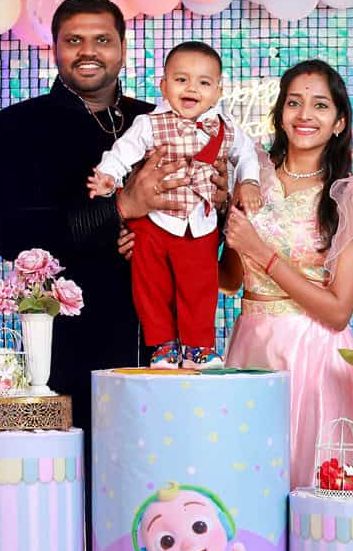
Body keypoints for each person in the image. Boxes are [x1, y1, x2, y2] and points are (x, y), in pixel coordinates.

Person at [0, 0, 227, 440]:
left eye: (102, 39)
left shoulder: (162, 120)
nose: (88, 51)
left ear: (123, 49)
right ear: (54, 47)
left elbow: (207, 227)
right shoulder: (13, 129)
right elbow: (11, 234)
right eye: (74, 39)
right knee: (73, 487)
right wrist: (120, 210)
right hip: (69, 345)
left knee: (161, 480)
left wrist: (213, 202)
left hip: (161, 339)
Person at [219, 59, 353, 489]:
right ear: (279, 113)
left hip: (314, 354)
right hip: (251, 344)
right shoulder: (251, 176)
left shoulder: (352, 197)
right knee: (246, 483)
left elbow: (337, 312)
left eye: (320, 105)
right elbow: (231, 279)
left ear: (338, 122)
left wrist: (262, 252)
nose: (305, 115)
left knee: (314, 487)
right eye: (294, 103)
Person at [87, 41, 261, 370]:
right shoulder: (149, 124)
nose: (192, 88)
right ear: (163, 85)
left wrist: (248, 182)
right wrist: (109, 176)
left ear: (219, 90)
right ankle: (163, 346)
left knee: (201, 286)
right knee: (151, 284)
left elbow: (247, 156)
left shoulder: (226, 128)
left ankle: (197, 348)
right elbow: (122, 152)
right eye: (181, 80)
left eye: (203, 82)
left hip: (200, 222)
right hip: (154, 222)